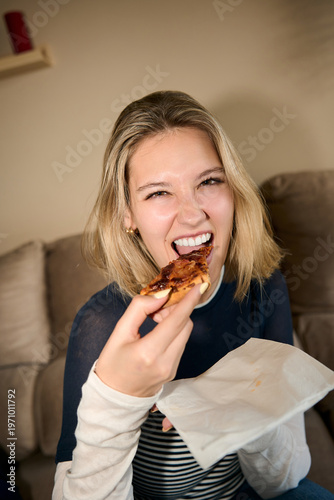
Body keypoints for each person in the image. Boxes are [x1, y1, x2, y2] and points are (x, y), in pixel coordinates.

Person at [52, 91, 334, 500]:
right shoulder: (101, 324)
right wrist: (117, 399)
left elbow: (283, 480)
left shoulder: (264, 288)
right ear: (127, 214)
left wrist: (244, 402)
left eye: (209, 181)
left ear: (233, 188)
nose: (191, 213)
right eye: (158, 193)